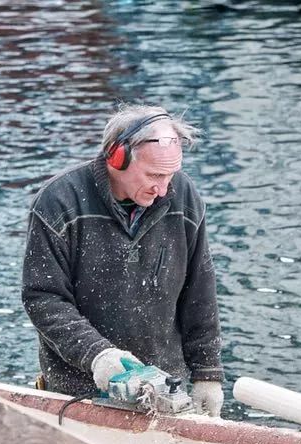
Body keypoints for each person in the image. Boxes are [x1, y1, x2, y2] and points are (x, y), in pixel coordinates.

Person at [21, 104, 224, 417]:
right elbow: (44, 298)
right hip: (77, 395)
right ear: (117, 157)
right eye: (154, 175)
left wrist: (207, 372)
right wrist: (97, 354)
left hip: (165, 392)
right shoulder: (58, 202)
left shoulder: (183, 197)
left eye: (171, 175)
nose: (163, 189)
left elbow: (199, 291)